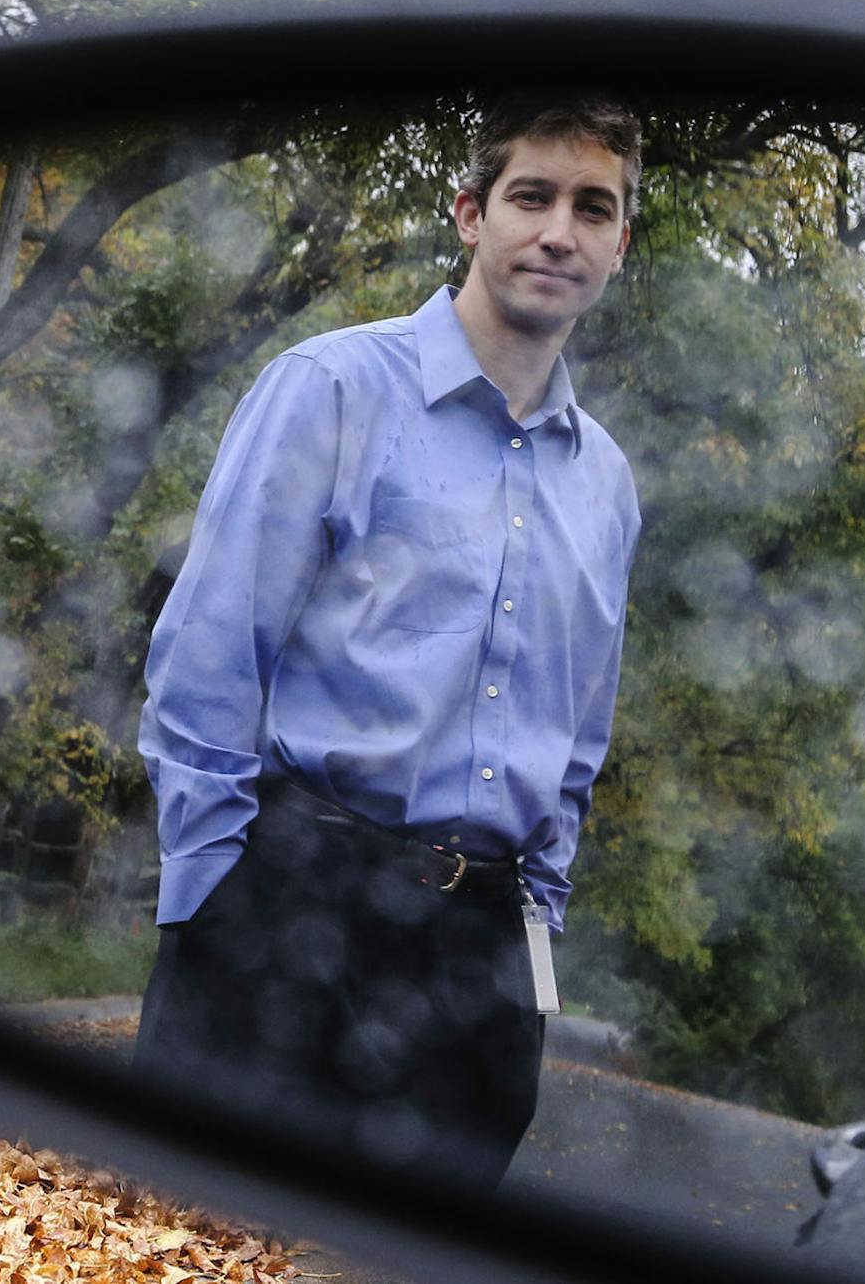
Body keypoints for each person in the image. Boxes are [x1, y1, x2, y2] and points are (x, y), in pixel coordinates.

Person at [131, 96, 644, 1192]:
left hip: (484, 964)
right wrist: (209, 906)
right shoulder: (330, 390)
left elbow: (580, 728)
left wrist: (534, 927)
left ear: (618, 244)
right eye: (532, 197)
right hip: (290, 907)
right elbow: (209, 656)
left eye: (593, 207)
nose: (560, 230)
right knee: (202, 1247)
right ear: (469, 213)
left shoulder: (607, 485)